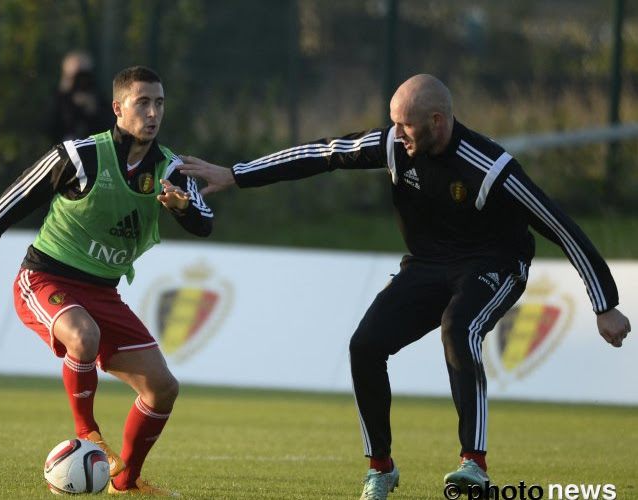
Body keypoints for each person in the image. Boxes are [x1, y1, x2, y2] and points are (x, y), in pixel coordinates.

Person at [178, 74, 631, 499]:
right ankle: (380, 468)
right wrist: (238, 174)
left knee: (459, 328)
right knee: (365, 346)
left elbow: (560, 225)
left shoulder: (489, 166)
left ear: (436, 122)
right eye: (392, 122)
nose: (395, 133)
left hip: (495, 264)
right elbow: (322, 154)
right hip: (428, 265)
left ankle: (474, 463)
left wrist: (604, 303)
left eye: (404, 124)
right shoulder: (394, 145)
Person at [0, 65, 213, 496]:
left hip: (103, 292)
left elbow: (204, 222)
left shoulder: (170, 168)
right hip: (44, 278)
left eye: (160, 103)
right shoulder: (82, 155)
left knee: (163, 389)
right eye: (142, 102)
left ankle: (125, 482)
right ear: (118, 108)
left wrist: (184, 209)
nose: (153, 113)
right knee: (83, 335)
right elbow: (21, 195)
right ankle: (87, 431)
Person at [49, 50, 115, 143]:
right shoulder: (57, 98)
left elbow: (110, 129)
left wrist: (94, 112)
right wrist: (65, 100)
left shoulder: (98, 98)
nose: (81, 80)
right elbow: (49, 129)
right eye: (76, 76)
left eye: (85, 75)